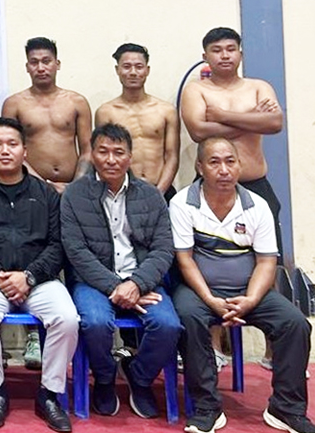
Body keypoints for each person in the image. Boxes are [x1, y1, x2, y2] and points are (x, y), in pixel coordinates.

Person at [171, 137, 314, 433]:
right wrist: (210, 299)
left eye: (230, 161)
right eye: (214, 162)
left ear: (239, 166)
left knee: (295, 323)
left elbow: (265, 262)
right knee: (188, 317)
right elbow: (185, 261)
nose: (224, 169)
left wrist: (250, 299)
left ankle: (286, 408)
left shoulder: (257, 205)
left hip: (250, 291)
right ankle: (207, 407)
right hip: (201, 292)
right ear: (200, 167)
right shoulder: (182, 202)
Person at [0, 118, 77, 432]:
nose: (5, 151)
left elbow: (58, 246)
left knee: (67, 318)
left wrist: (29, 276)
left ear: (25, 151)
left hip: (38, 280)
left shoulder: (47, 194)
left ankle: (49, 394)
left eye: (12, 144)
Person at [60, 123, 181, 419]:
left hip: (144, 281)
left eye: (118, 152)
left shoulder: (151, 196)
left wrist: (137, 284)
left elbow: (164, 249)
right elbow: (76, 252)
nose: (111, 160)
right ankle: (104, 378)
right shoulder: (75, 195)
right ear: (92, 155)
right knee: (96, 322)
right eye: (103, 152)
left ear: (130, 156)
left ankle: (139, 378)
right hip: (94, 282)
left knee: (168, 326)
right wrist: (116, 286)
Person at [180, 27, 285, 258]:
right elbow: (199, 131)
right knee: (207, 255)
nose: (225, 55)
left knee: (267, 256)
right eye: (216, 50)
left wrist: (221, 116)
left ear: (240, 53)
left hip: (255, 183)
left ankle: (269, 295)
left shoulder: (258, 87)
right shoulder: (196, 90)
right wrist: (253, 118)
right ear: (205, 57)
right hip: (209, 188)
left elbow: (275, 123)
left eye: (230, 49)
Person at [2, 37, 93, 194]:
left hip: (72, 188)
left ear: (57, 64)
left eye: (46, 61)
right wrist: (43, 185)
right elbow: (11, 150)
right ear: (27, 67)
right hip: (29, 188)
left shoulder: (77, 102)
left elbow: (88, 149)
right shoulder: (14, 104)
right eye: (34, 62)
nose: (41, 68)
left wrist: (75, 186)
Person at [95, 43, 179, 200]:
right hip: (121, 193)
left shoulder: (166, 111)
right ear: (117, 70)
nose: (133, 72)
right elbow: (103, 158)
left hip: (161, 190)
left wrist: (158, 194)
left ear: (147, 70)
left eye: (139, 67)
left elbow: (172, 156)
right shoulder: (106, 112)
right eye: (126, 66)